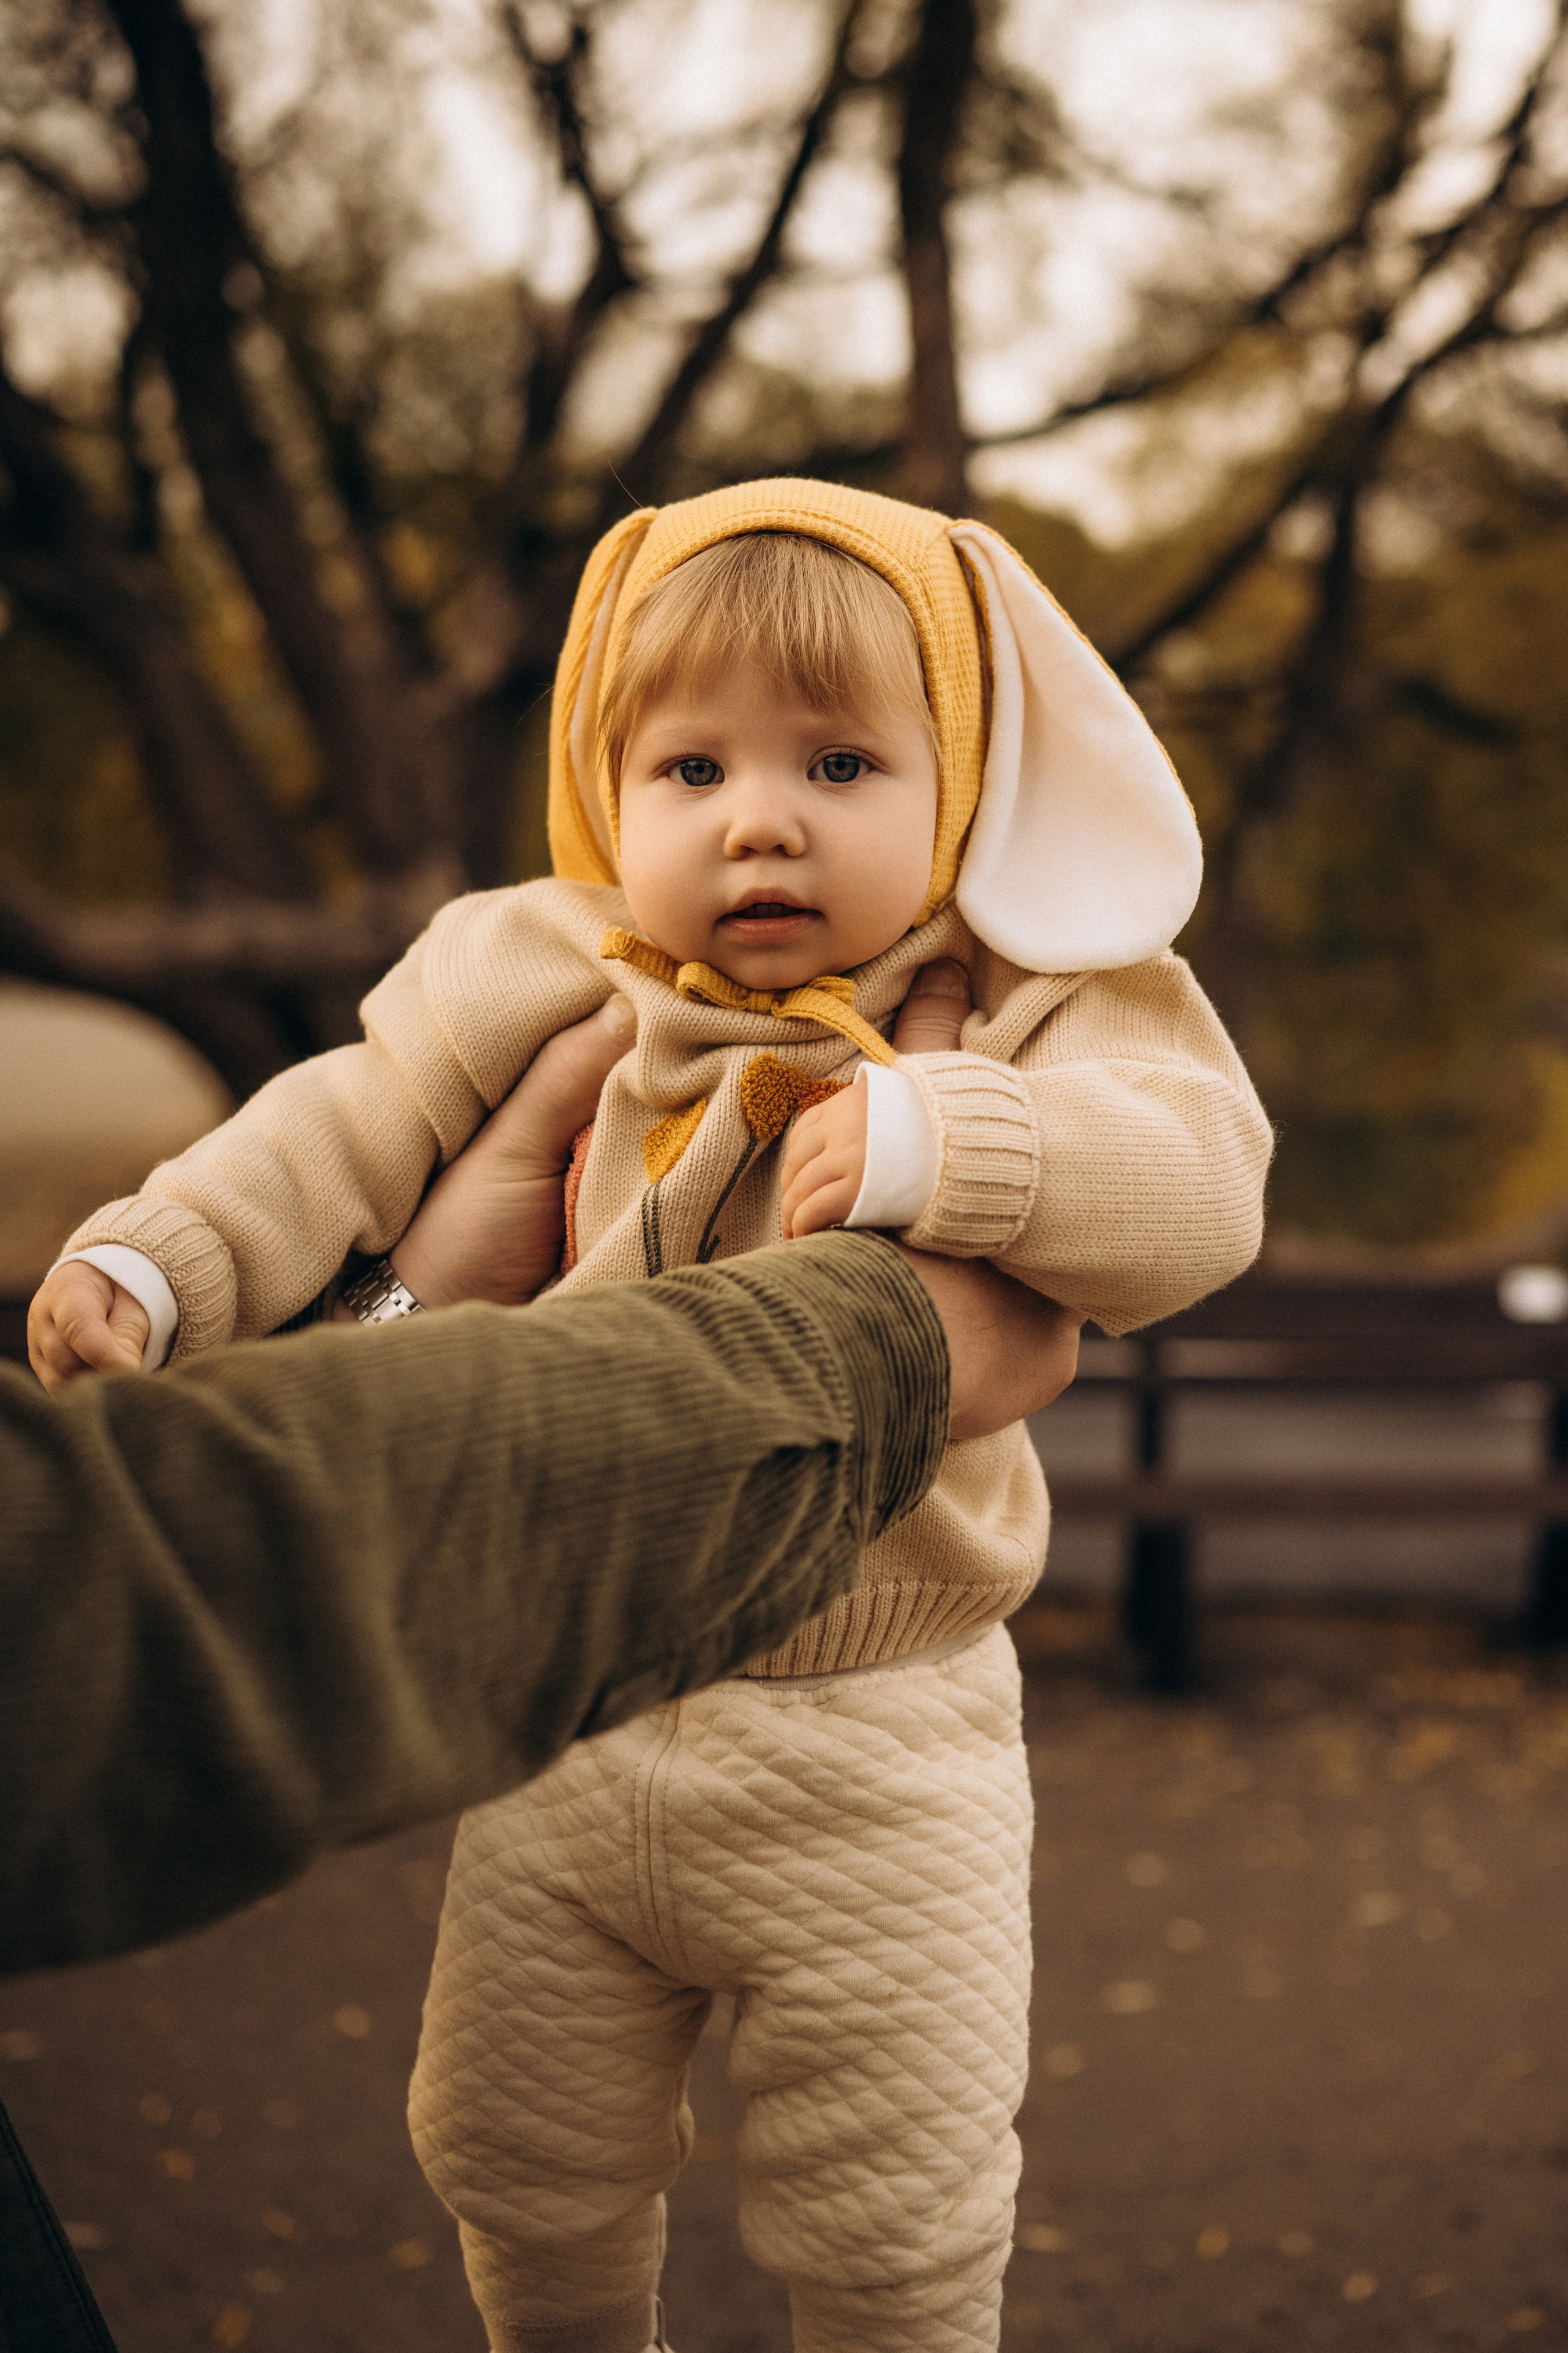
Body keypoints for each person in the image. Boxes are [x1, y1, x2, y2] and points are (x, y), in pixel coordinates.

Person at [29, 478, 1272, 2353]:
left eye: (843, 762)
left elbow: (1203, 1182)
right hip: (568, 1697)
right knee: (514, 2151)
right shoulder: (546, 960)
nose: (758, 817)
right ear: (608, 793)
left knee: (895, 2212)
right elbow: (339, 1123)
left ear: (967, 787)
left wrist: (961, 1139)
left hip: (879, 1733)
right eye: (687, 767)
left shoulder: (1018, 1001)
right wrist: (162, 1258)